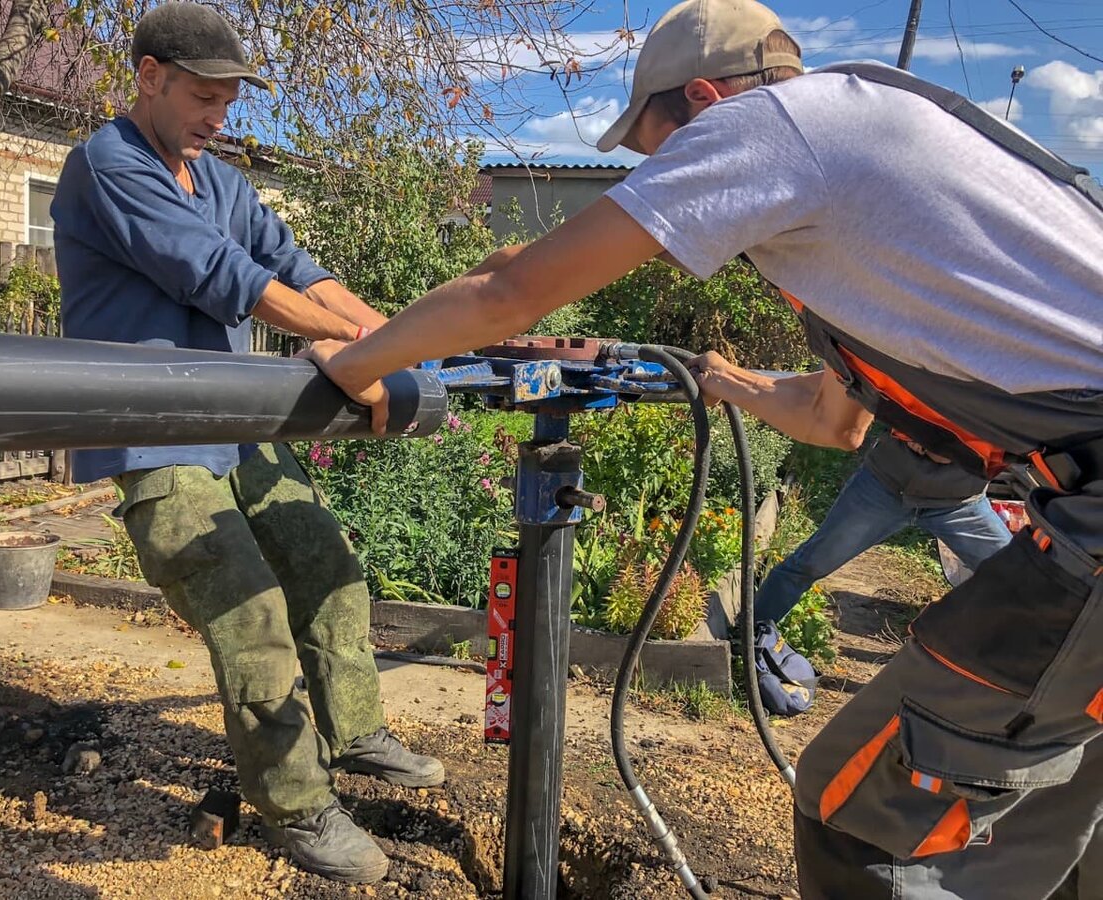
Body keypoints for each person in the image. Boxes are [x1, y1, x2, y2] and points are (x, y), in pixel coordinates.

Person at [306, 0, 1103, 896]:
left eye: (662, 155)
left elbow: (509, 288)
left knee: (860, 817)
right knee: (1049, 824)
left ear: (705, 99)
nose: (668, 185)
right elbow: (831, 420)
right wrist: (725, 382)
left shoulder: (778, 125)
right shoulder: (877, 180)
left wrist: (356, 363)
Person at [50, 2, 443, 885]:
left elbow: (302, 270)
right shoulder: (108, 165)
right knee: (250, 616)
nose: (218, 116)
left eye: (228, 101)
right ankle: (297, 806)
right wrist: (363, 361)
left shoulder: (221, 180)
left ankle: (355, 730)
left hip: (238, 424)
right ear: (148, 76)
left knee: (324, 561)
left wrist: (410, 344)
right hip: (155, 439)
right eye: (202, 95)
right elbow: (230, 278)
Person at [755, 431, 1013, 624]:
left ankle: (1024, 682)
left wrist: (956, 448)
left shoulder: (1018, 375)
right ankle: (749, 637)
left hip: (960, 502)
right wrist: (919, 434)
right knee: (809, 564)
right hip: (885, 485)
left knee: (1020, 580)